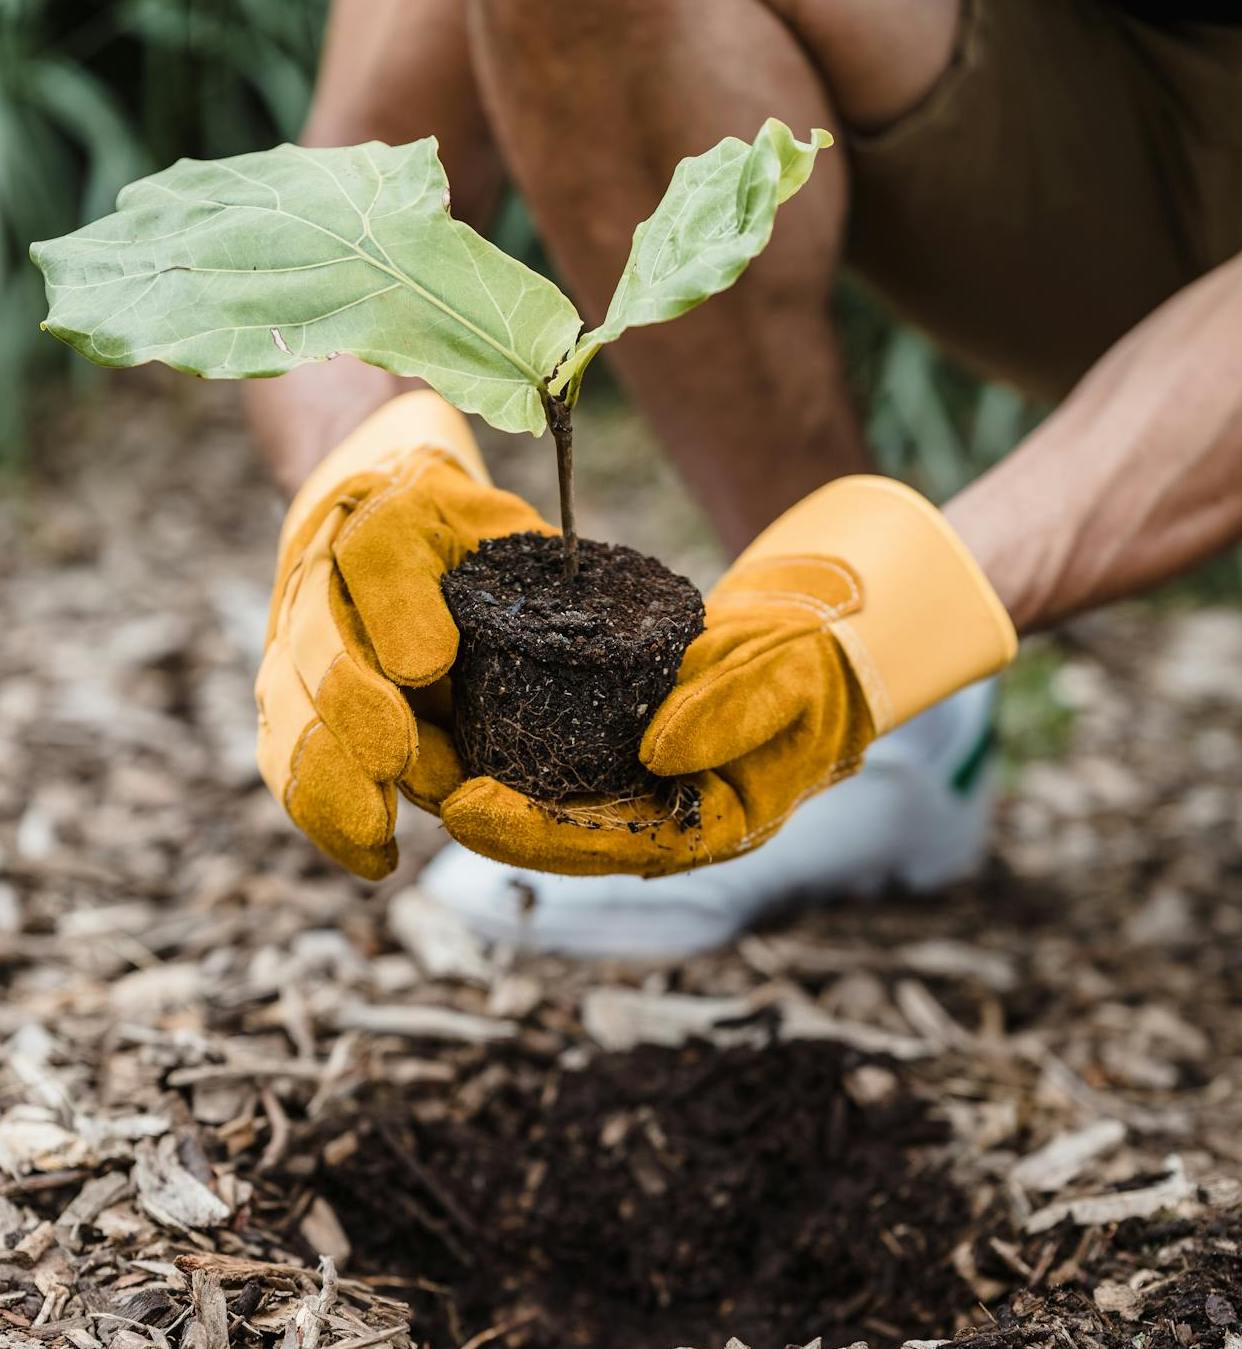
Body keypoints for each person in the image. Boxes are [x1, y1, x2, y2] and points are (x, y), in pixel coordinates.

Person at [250, 0, 1242, 957]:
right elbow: (350, 184)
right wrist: (360, 466)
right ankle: (873, 747)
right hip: (1073, 159)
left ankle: (864, 698)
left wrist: (901, 602)